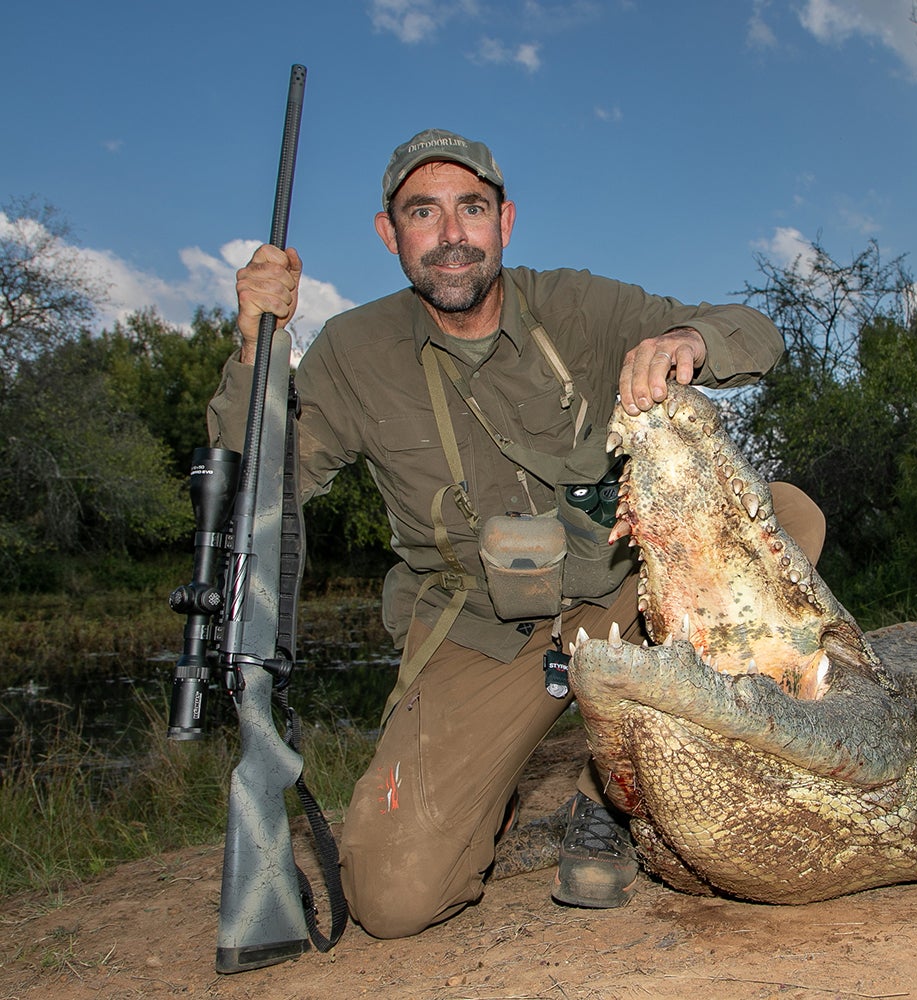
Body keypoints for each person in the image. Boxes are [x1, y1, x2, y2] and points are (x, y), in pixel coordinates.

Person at [210, 128, 825, 939]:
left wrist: (689, 341)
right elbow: (255, 484)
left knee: (789, 519)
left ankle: (610, 788)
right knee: (394, 902)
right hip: (479, 631)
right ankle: (490, 798)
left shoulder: (579, 305)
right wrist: (258, 342)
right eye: (422, 213)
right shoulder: (351, 351)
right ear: (388, 235)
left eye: (471, 208)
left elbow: (753, 331)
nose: (451, 233)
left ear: (505, 221)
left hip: (619, 594)